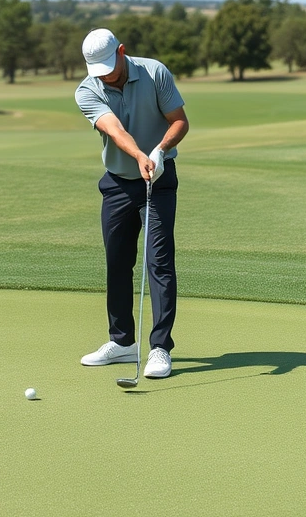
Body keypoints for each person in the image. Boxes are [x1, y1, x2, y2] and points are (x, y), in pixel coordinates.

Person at [74, 28, 190, 378]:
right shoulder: (87, 90)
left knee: (159, 262)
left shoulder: (155, 72)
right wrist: (141, 154)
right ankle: (123, 342)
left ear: (122, 51)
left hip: (160, 180)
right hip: (118, 184)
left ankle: (159, 349)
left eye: (110, 66)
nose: (106, 75)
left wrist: (159, 151)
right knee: (117, 263)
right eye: (99, 70)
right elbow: (114, 130)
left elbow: (180, 121)